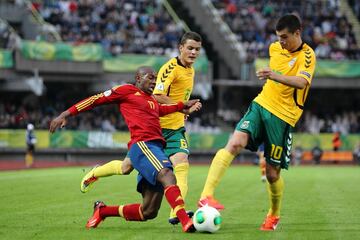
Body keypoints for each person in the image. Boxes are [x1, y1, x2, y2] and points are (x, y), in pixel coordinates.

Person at [198, 14, 316, 231]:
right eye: (278, 37)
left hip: (283, 118)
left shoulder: (308, 55)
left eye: (284, 37)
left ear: (297, 33)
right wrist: (272, 76)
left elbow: (301, 82)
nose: (280, 41)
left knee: (272, 174)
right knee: (234, 143)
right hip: (261, 105)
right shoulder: (274, 49)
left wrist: (273, 75)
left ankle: (274, 214)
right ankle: (206, 195)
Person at [49, 66, 202, 233]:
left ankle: (103, 211)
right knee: (167, 175)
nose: (154, 81)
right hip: (143, 145)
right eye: (150, 77)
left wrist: (182, 106)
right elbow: (95, 99)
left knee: (148, 211)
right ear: (138, 78)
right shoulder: (126, 91)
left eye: (156, 78)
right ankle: (185, 221)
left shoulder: (150, 100)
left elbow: (161, 110)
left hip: (154, 149)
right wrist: (65, 114)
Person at [79, 31, 203, 225]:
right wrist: (183, 105)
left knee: (182, 164)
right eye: (190, 48)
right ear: (180, 48)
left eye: (197, 49)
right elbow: (158, 96)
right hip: (156, 130)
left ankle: (175, 214)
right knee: (126, 167)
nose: (194, 52)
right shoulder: (170, 68)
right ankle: (95, 173)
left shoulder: (191, 70)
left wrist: (182, 111)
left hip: (175, 129)